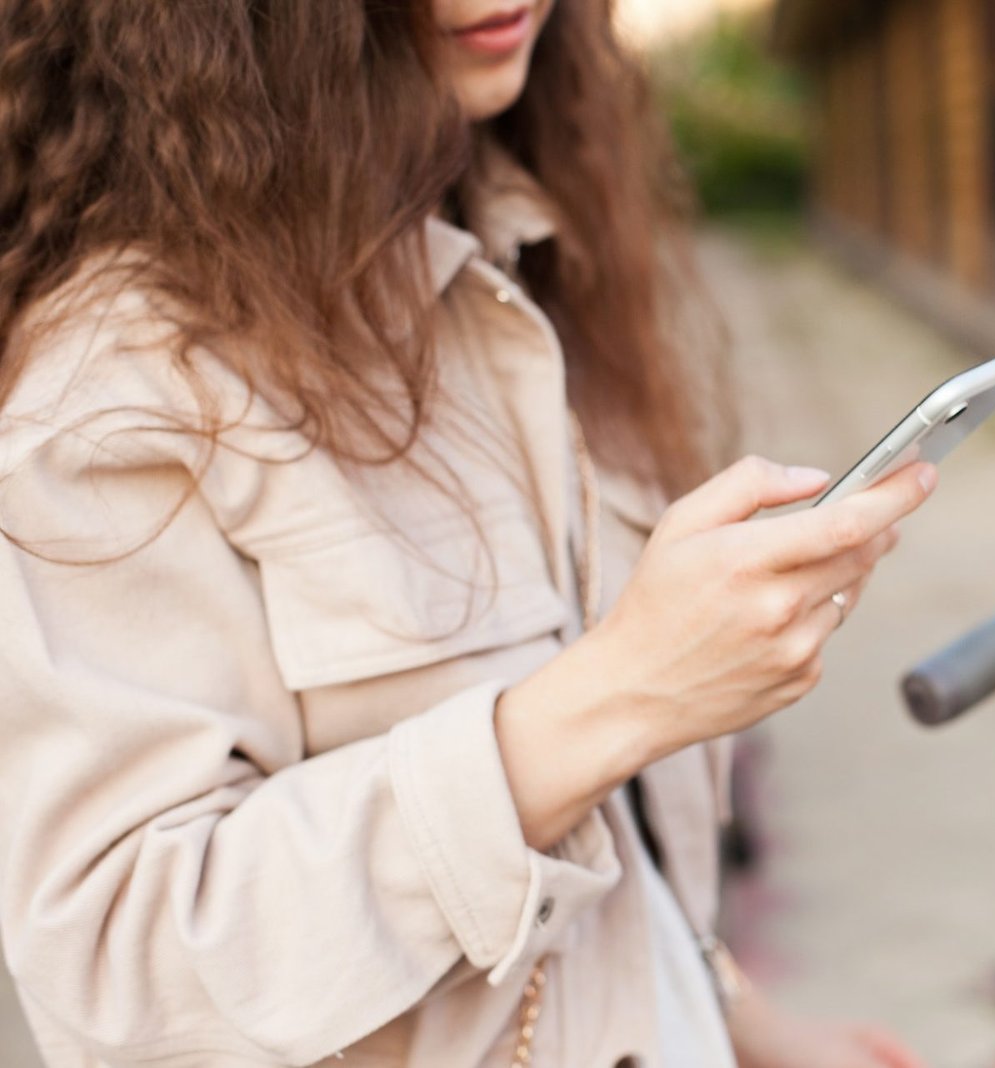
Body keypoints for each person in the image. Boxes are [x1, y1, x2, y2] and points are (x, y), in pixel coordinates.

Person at [0, 2, 936, 1065]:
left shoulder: (505, 238)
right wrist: (623, 694)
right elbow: (123, 978)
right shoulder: (119, 386)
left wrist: (740, 1020)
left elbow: (611, 850)